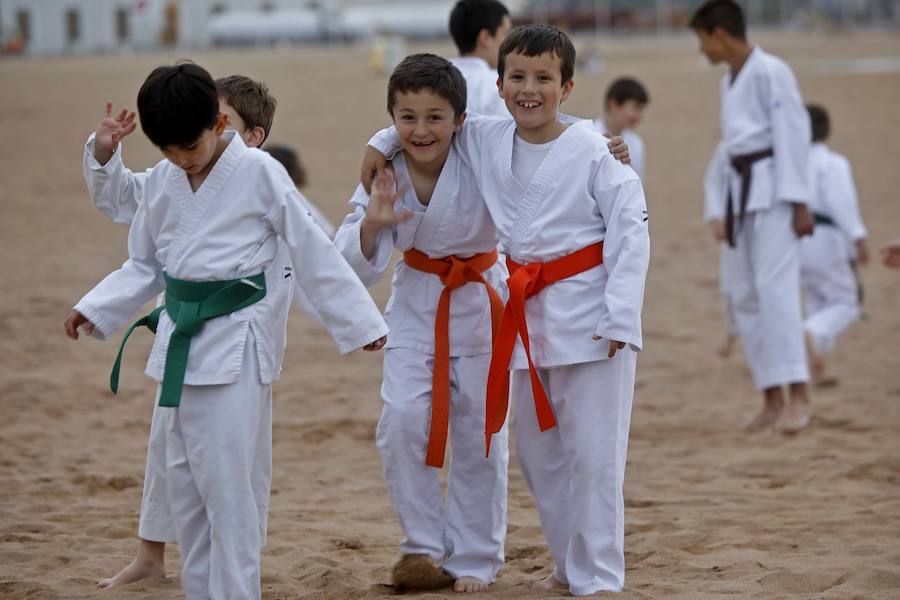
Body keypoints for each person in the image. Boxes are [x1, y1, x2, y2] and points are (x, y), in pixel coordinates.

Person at [64, 62, 388, 600]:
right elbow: (145, 264)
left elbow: (311, 251)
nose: (179, 159)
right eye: (166, 150)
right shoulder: (167, 179)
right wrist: (94, 308)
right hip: (178, 342)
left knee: (228, 490)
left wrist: (359, 323)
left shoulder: (259, 173)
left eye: (188, 146)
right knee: (185, 485)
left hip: (238, 343)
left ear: (220, 123)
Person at [364, 24, 650, 596]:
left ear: (567, 87)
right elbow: (422, 125)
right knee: (540, 458)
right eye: (517, 77)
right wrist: (376, 146)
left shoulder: (595, 150)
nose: (529, 89)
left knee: (593, 457)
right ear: (498, 84)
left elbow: (631, 232)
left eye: (544, 78)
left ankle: (598, 579)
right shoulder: (486, 137)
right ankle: (570, 567)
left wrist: (621, 314)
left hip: (591, 316)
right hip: (522, 320)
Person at [334, 53, 508, 594]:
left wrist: (607, 145)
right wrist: (372, 224)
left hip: (482, 305)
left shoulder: (483, 147)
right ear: (391, 119)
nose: (421, 129)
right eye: (406, 118)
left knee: (482, 433)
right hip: (416, 307)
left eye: (435, 117)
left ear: (460, 119)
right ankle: (422, 548)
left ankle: (475, 556)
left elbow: (544, 133)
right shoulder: (383, 171)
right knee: (402, 423)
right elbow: (351, 264)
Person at [690, 0, 815, 434]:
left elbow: (793, 136)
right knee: (743, 294)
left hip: (775, 195)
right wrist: (718, 206)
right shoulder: (730, 81)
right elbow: (730, 151)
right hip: (740, 195)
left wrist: (799, 202)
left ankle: (800, 395)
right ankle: (771, 396)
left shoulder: (771, 71)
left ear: (720, 34)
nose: (702, 49)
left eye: (703, 39)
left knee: (775, 292)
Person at [800, 104, 869, 383]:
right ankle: (810, 333)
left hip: (792, 239)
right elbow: (841, 202)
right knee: (846, 302)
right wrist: (857, 236)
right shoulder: (832, 163)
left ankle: (817, 364)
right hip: (824, 235)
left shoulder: (789, 162)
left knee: (816, 299)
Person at [703, 142, 740, 358]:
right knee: (731, 284)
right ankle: (732, 332)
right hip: (734, 225)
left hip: (769, 227)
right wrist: (716, 216)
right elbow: (713, 181)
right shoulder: (728, 146)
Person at [448, 0, 512, 117]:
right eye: (506, 34)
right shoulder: (498, 86)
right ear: (486, 37)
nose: (510, 42)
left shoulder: (433, 79)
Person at [593, 77, 649, 179]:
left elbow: (638, 187)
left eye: (641, 110)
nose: (638, 117)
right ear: (613, 104)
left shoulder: (636, 143)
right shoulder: (590, 137)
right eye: (635, 108)